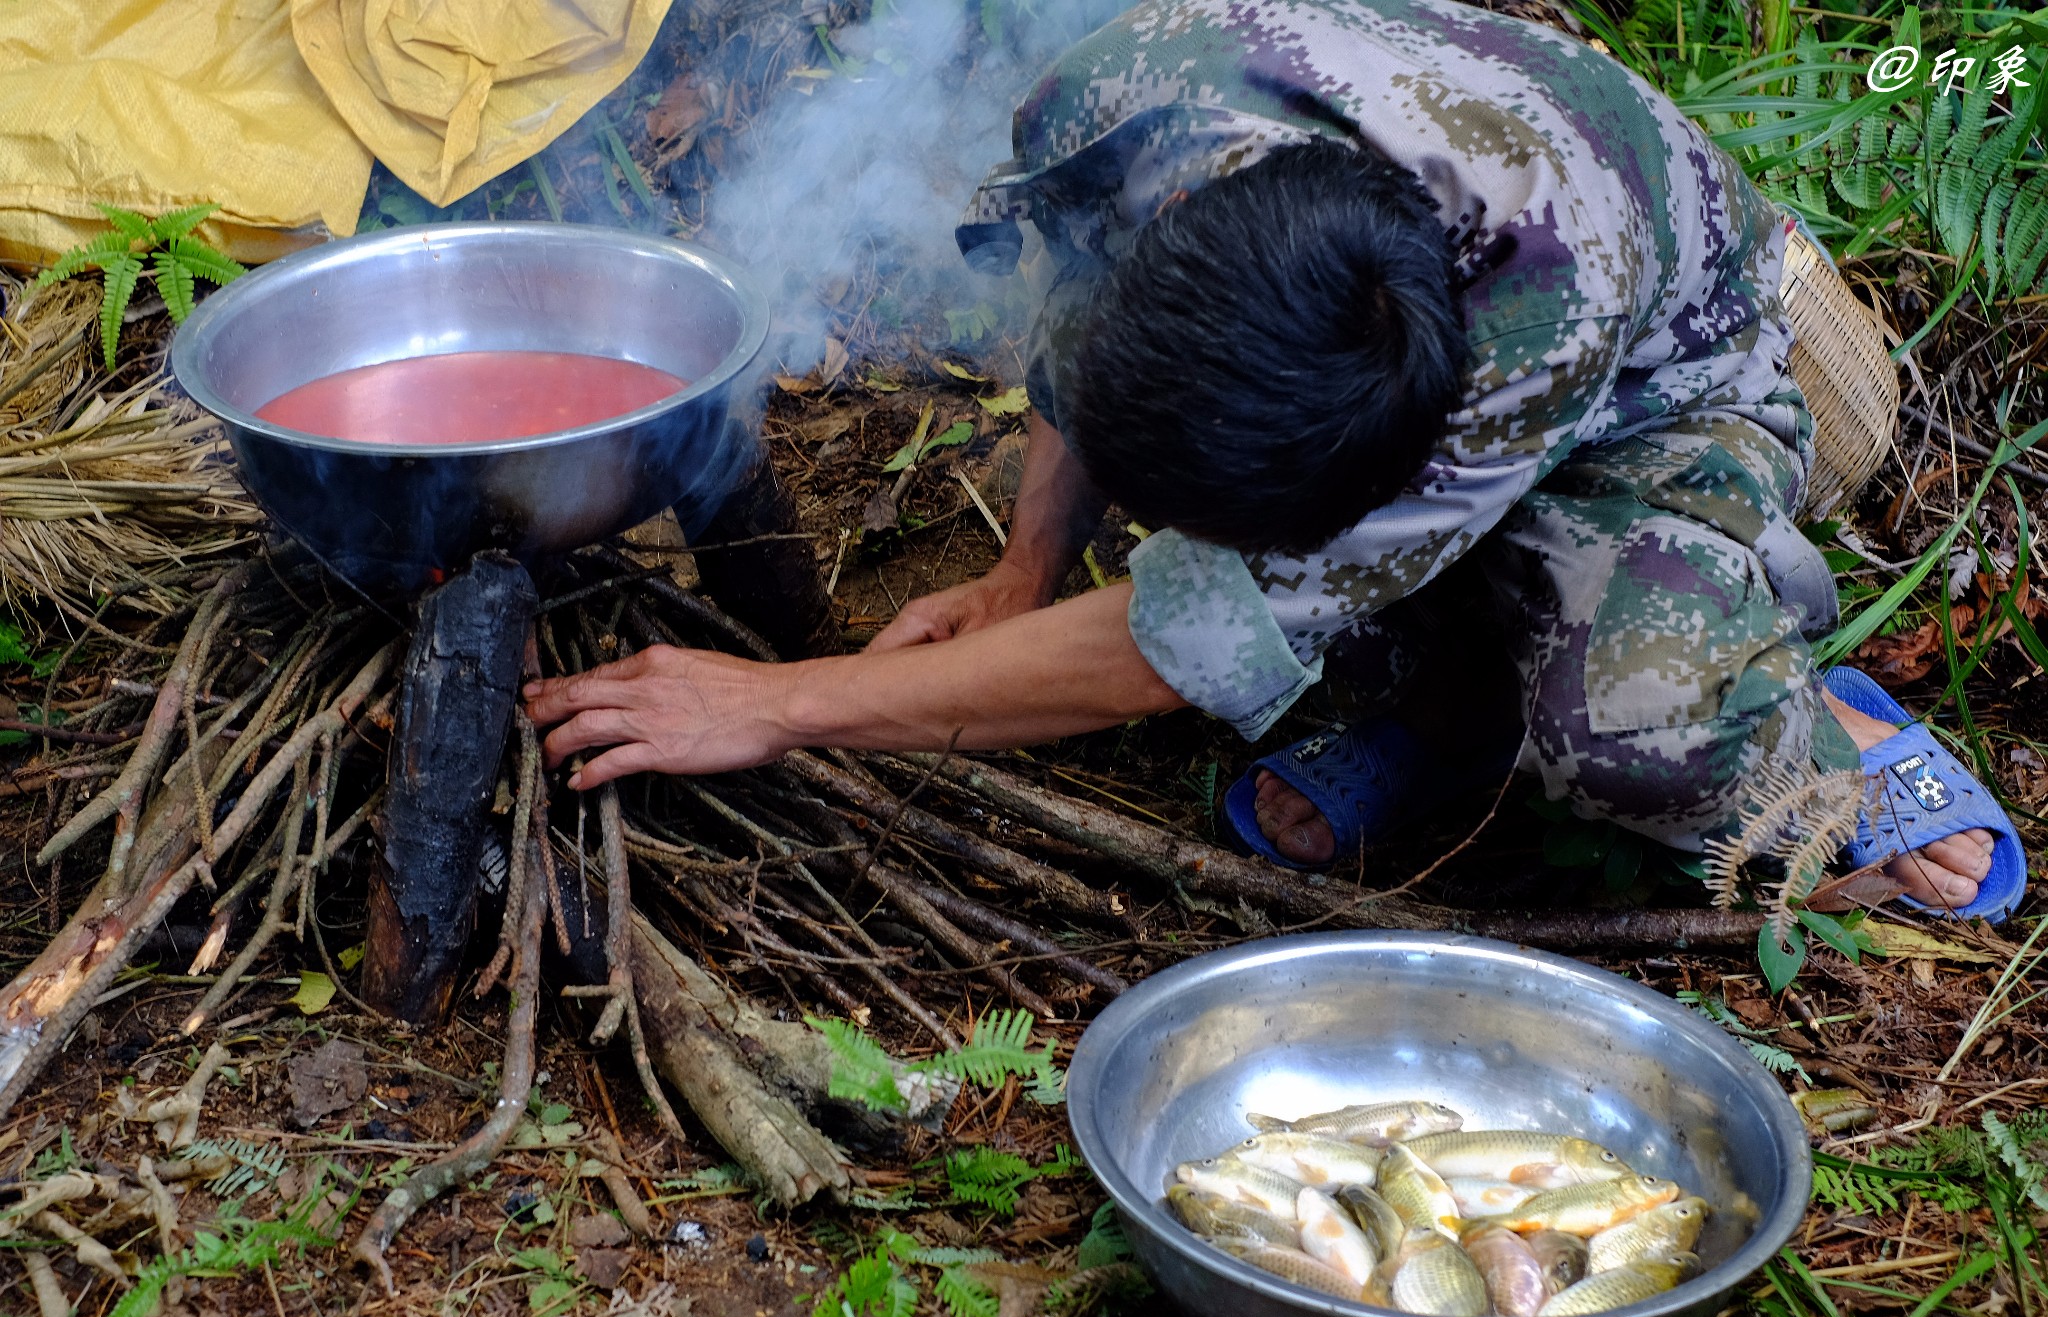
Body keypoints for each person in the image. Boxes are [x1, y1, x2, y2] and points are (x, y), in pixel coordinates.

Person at [527, 0, 2026, 919]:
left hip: (1663, 389)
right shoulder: (1134, 93)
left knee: (1633, 733)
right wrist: (1024, 567)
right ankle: (1448, 697)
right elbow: (1081, 323)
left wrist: (776, 706)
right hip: (1401, 337)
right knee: (1270, 595)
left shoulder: (1532, 320)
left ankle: (1797, 719)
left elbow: (1168, 648)